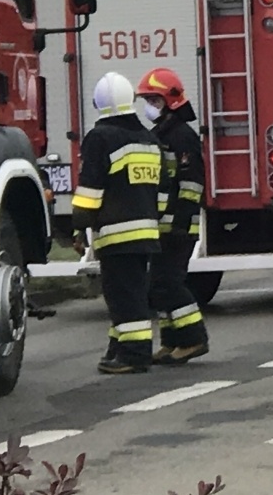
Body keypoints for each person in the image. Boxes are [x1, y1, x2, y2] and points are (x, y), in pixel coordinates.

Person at [73, 71, 165, 374]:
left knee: (124, 297)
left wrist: (79, 227)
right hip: (147, 233)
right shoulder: (149, 139)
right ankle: (118, 348)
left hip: (116, 235)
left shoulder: (100, 138)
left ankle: (134, 355)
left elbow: (90, 190)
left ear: (98, 103)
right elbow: (161, 190)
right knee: (128, 294)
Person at [136, 67, 211, 364]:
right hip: (162, 227)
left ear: (171, 101)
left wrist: (181, 221)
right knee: (158, 285)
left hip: (178, 227)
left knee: (170, 283)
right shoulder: (160, 135)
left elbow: (192, 184)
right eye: (147, 101)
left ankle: (193, 339)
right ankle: (171, 341)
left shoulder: (182, 137)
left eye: (154, 100)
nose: (149, 107)